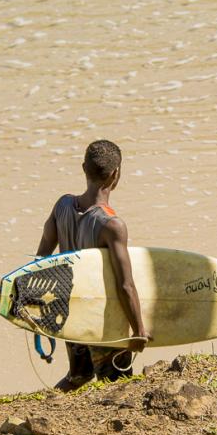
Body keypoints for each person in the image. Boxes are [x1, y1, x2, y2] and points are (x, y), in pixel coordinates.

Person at [36, 139, 148, 392]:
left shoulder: (62, 205)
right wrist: (138, 330)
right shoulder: (112, 225)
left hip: (70, 312)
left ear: (83, 169)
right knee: (117, 384)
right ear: (115, 175)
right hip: (101, 318)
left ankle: (47, 408)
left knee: (79, 375)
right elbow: (125, 284)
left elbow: (40, 262)